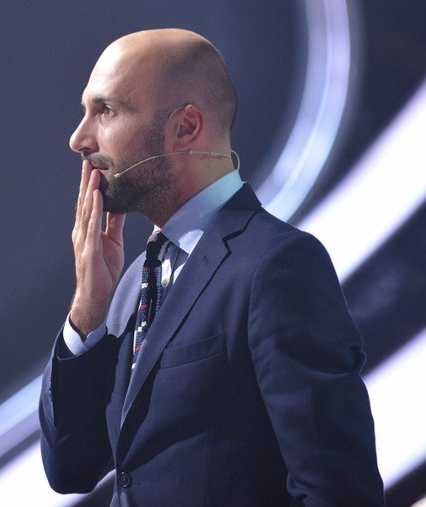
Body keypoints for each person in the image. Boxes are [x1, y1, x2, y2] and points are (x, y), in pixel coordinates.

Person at [39, 28, 384, 506]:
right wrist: (88, 308)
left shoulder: (275, 265)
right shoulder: (131, 283)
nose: (79, 138)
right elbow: (70, 468)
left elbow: (338, 491)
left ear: (186, 127)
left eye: (107, 110)